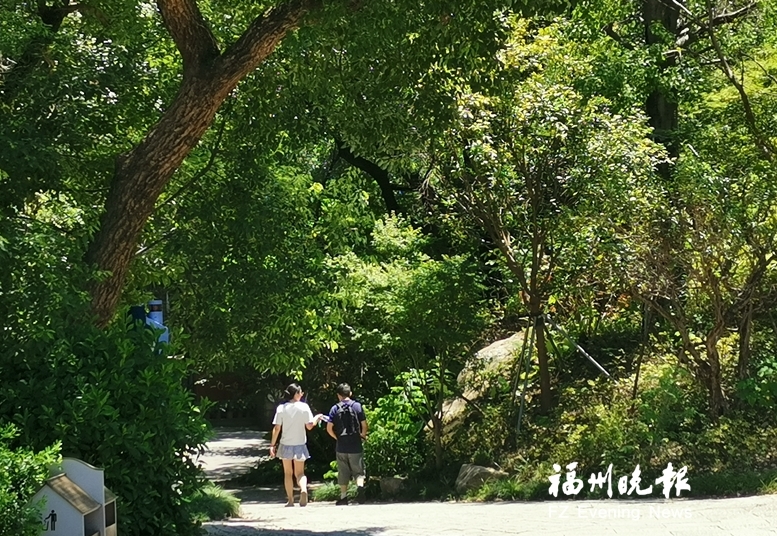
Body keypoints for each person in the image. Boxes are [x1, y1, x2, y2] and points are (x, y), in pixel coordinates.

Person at [269, 383, 323, 507]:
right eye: (301, 392)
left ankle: (290, 500)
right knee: (300, 473)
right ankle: (303, 489)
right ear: (297, 394)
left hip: (286, 444)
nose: (302, 394)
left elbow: (277, 428)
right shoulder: (304, 407)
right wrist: (316, 418)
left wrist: (272, 445)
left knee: (288, 473)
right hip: (300, 443)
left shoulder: (281, 408)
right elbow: (309, 426)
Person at [326, 383, 368, 505]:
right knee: (359, 472)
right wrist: (362, 436)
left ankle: (343, 497)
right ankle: (360, 488)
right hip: (355, 444)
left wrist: (337, 438)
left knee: (343, 471)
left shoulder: (334, 408)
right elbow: (364, 425)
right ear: (350, 393)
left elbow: (329, 428)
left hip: (341, 446)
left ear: (338, 395)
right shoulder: (357, 406)